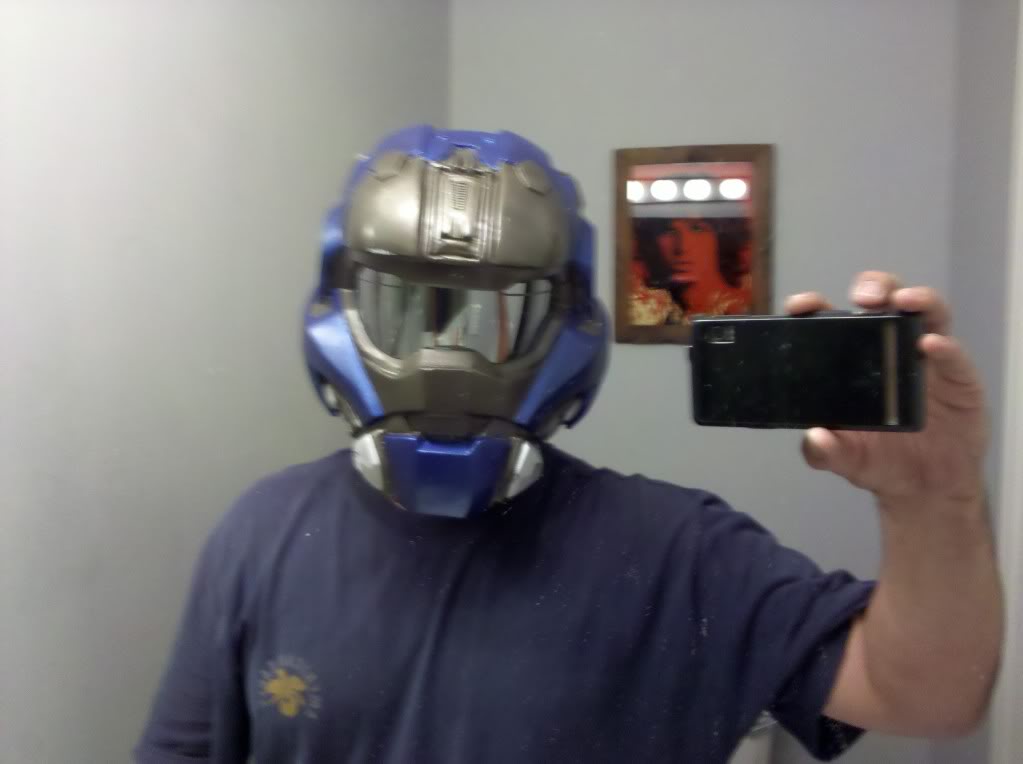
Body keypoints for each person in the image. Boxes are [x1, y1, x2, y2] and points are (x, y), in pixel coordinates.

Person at [136, 126, 1002, 763]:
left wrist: (934, 496)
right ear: (346, 307)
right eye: (409, 305)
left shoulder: (675, 554)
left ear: (564, 323)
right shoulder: (262, 533)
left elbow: (930, 693)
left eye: (493, 313)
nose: (446, 361)